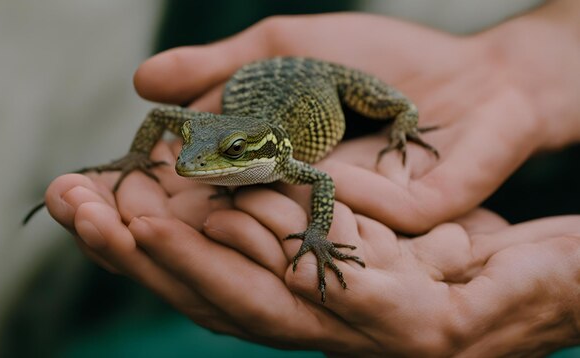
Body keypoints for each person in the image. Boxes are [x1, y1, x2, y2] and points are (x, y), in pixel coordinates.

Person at [43, 0, 580, 355]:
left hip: (317, 80)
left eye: (226, 156)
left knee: (400, 108)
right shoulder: (201, 128)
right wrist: (138, 158)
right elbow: (164, 116)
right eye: (193, 153)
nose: (189, 166)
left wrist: (317, 236)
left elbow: (323, 184)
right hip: (253, 95)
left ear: (259, 151)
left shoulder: (281, 160)